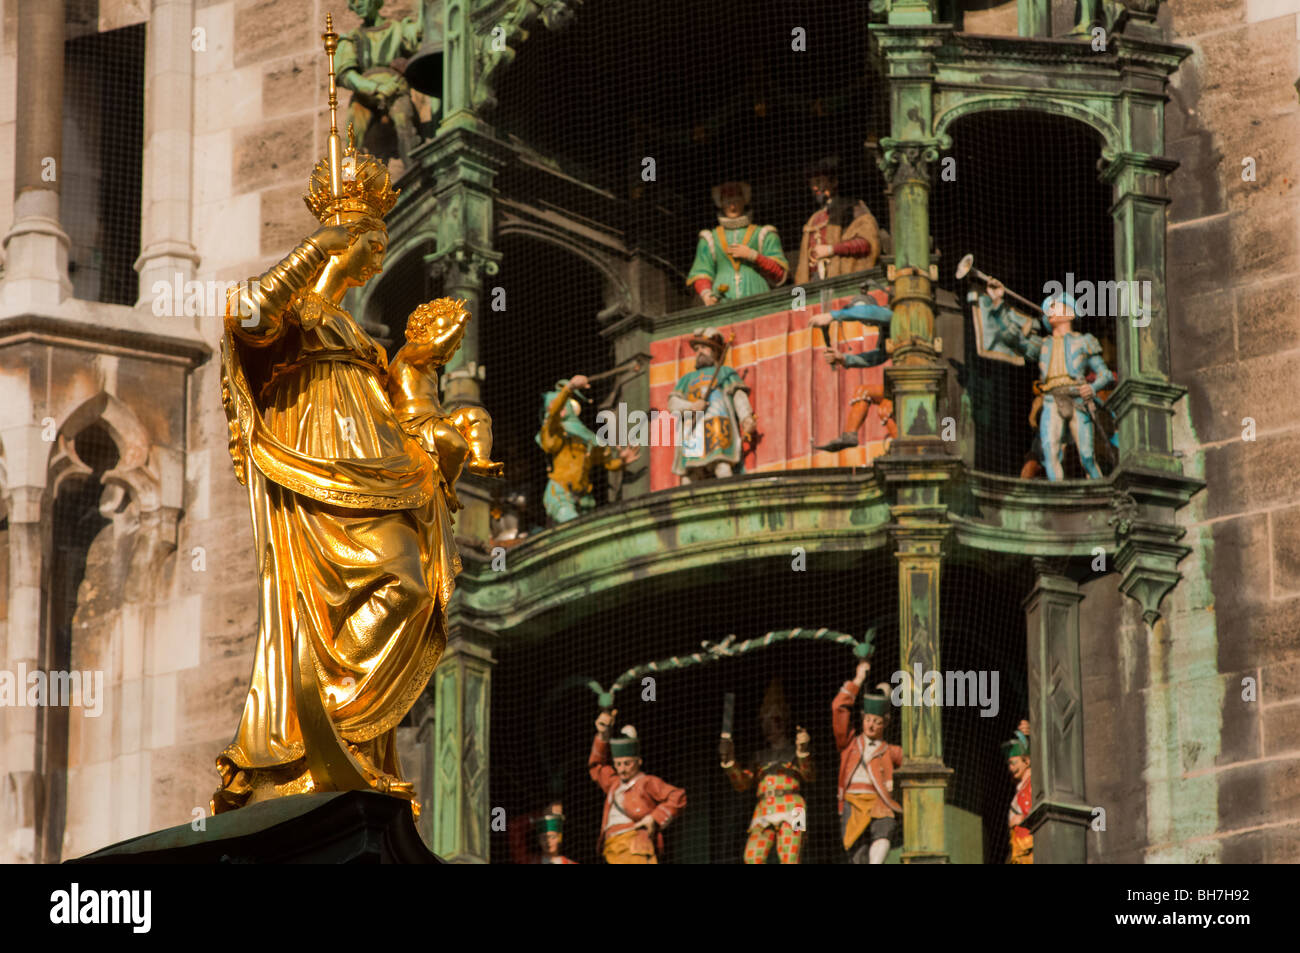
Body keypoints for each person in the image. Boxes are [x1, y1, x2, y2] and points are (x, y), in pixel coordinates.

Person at [215, 124, 454, 814]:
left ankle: (344, 726)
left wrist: (422, 373)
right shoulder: (301, 315)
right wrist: (309, 249)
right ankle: (318, 725)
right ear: (347, 241)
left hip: (370, 468)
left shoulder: (361, 336)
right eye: (372, 237)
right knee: (369, 589)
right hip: (313, 462)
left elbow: (409, 425)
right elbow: (250, 316)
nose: (380, 251)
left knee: (407, 585)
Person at [987, 281, 1115, 480]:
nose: (1051, 310)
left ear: (1071, 314)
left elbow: (1105, 374)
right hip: (1051, 399)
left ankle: (1099, 491)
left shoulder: (1084, 341)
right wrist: (997, 302)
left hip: (1077, 400)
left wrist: (1092, 387)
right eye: (1049, 308)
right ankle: (1059, 492)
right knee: (1050, 451)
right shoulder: (1042, 345)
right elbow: (1011, 338)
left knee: (1087, 456)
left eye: (1056, 306)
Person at [387, 296, 503, 516]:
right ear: (422, 329)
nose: (453, 341)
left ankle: (479, 460)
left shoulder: (428, 366)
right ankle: (446, 486)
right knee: (457, 444)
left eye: (457, 340)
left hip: (436, 419)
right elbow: (438, 349)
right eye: (442, 330)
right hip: (412, 425)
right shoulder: (410, 352)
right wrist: (459, 324)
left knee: (477, 416)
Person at [720, 678, 813, 864]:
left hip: (795, 807)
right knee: (752, 857)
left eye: (773, 721)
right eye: (764, 722)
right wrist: (729, 761)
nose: (768, 727)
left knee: (791, 856)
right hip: (764, 807)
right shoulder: (759, 756)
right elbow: (742, 784)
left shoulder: (795, 750)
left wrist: (803, 752)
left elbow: (809, 775)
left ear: (783, 722)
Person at [536, 376, 639, 524]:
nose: (557, 408)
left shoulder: (585, 440)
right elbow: (553, 416)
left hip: (584, 498)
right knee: (574, 525)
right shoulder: (555, 432)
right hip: (560, 494)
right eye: (552, 405)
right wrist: (569, 388)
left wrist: (622, 461)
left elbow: (608, 463)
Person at [588, 709, 686, 864]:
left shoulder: (646, 782)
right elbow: (597, 766)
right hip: (611, 848)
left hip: (635, 844)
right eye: (618, 764)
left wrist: (654, 818)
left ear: (639, 761)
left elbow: (678, 796)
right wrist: (602, 736)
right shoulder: (614, 784)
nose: (622, 769)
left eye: (627, 763)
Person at [336, 0, 426, 166]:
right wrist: (375, 88)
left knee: (404, 121)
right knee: (350, 136)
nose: (358, 5)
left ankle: (415, 171)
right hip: (365, 93)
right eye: (353, 2)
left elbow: (420, 34)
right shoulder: (352, 38)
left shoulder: (398, 29)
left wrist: (425, 6)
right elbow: (345, 75)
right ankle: (348, 183)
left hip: (395, 87)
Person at [809, 282, 896, 453]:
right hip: (900, 384)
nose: (864, 321)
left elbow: (868, 312)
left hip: (910, 381)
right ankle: (850, 435)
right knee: (885, 408)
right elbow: (879, 356)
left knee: (868, 394)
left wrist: (832, 315)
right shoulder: (886, 326)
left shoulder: (891, 314)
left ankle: (900, 447)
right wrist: (844, 358)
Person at [833, 661, 902, 864]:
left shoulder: (889, 751)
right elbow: (838, 707)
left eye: (877, 721)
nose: (871, 725)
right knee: (856, 854)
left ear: (886, 723)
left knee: (885, 826)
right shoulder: (849, 744)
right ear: (862, 718)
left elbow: (910, 760)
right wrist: (858, 680)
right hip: (852, 802)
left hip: (879, 801)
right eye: (868, 720)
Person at [665, 328, 755, 482]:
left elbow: (738, 396)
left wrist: (746, 418)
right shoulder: (686, 379)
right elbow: (673, 403)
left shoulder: (725, 372)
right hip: (693, 430)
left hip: (718, 428)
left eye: (704, 347)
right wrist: (692, 406)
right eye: (697, 349)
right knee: (690, 475)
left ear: (715, 351)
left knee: (722, 466)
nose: (699, 352)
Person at [686, 181, 788, 305]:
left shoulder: (763, 234)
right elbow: (702, 272)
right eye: (728, 202)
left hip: (756, 293)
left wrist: (753, 256)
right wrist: (707, 295)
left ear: (744, 201)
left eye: (736, 201)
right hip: (722, 297)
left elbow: (779, 273)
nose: (732, 207)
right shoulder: (709, 239)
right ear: (720, 204)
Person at [794, 157, 881, 286]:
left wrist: (831, 249)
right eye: (811, 183)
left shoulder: (854, 208)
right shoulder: (813, 220)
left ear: (834, 181)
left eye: (818, 181)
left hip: (843, 281)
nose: (814, 187)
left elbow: (867, 243)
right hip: (815, 283)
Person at [1005, 722, 1033, 864]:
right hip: (1018, 850)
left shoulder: (1032, 784)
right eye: (1009, 764)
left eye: (1014, 763)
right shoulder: (1021, 788)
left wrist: (1022, 818)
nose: (1011, 768)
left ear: (1026, 761)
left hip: (1027, 847)